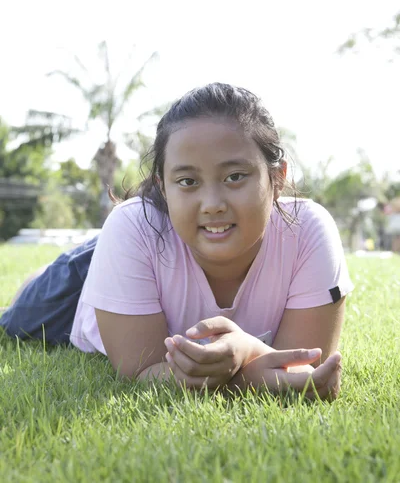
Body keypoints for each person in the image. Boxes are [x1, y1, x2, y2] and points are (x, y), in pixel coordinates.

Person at [0, 83, 353, 399]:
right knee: (16, 323)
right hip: (104, 272)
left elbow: (305, 367)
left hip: (147, 250)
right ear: (163, 187)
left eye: (235, 176)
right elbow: (140, 369)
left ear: (277, 177)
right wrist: (252, 370)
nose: (213, 204)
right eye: (187, 181)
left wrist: (246, 351)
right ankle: (42, 275)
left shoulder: (307, 230)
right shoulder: (130, 226)